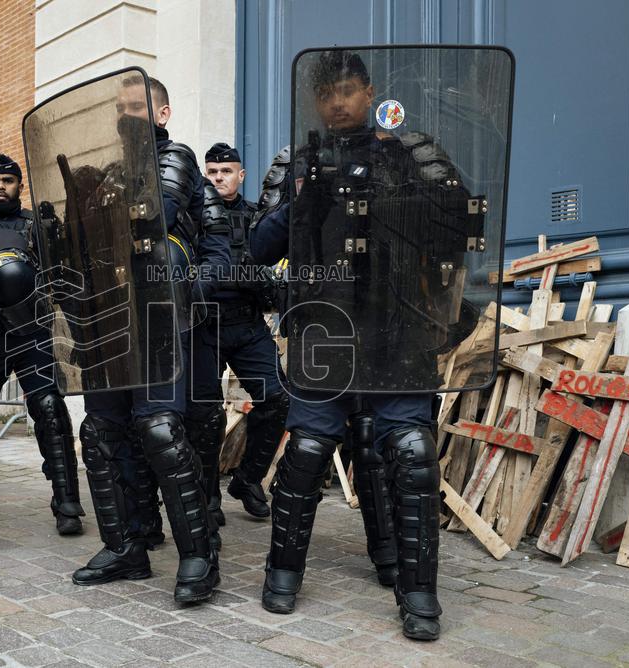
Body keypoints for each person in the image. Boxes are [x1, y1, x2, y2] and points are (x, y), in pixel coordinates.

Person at [250, 51, 451, 640]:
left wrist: (405, 201)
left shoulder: (410, 151)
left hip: (396, 329)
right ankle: (281, 576)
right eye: (327, 93)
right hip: (325, 331)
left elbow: (460, 228)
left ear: (369, 91)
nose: (338, 103)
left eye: (348, 90)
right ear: (315, 101)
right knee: (308, 450)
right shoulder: (300, 163)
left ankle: (418, 596)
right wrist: (301, 203)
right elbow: (259, 248)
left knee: (411, 453)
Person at [58, 75, 230, 603]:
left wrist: (184, 287)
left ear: (162, 113)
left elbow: (186, 231)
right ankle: (125, 546)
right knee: (102, 432)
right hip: (109, 322)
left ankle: (199, 556)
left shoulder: (178, 163)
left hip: (161, 320)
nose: (125, 115)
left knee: (159, 431)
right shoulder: (107, 174)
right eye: (120, 107)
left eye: (137, 107)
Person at [0, 154, 84, 535]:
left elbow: (63, 274)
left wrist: (56, 233)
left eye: (7, 181)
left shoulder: (34, 225)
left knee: (49, 408)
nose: (0, 186)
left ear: (19, 186)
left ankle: (67, 503)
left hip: (31, 330)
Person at [186, 142, 289, 526]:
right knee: (204, 417)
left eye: (225, 172)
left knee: (278, 400)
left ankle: (247, 481)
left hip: (246, 324)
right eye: (211, 172)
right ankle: (207, 497)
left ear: (240, 175)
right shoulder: (191, 218)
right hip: (203, 326)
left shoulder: (258, 219)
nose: (218, 178)